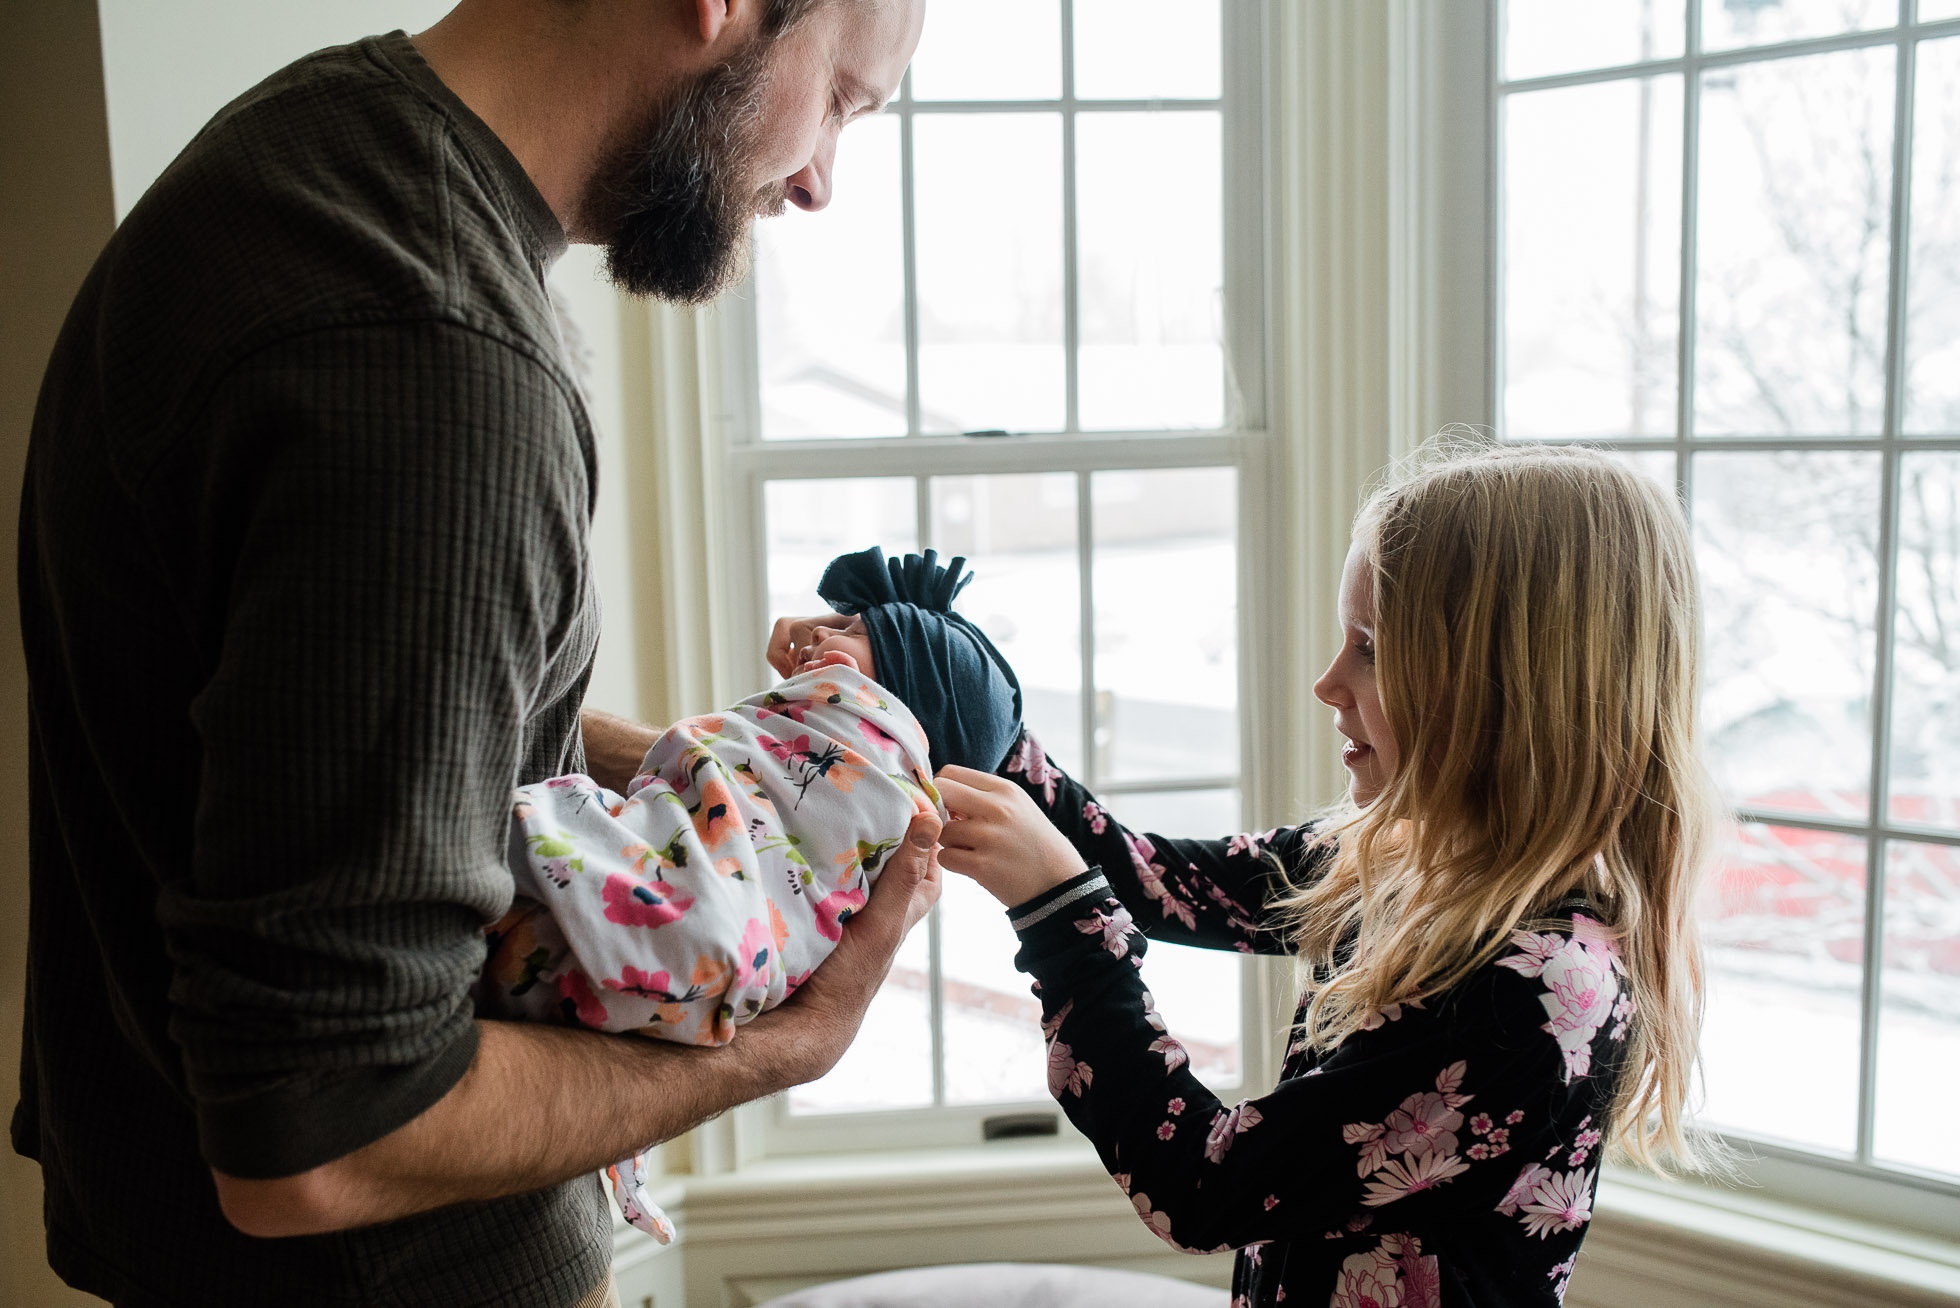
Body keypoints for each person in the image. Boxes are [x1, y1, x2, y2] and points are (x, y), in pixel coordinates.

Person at [14, 1, 925, 1304]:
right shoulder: (437, 359)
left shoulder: (310, 154)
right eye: (842, 97)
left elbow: (331, 730)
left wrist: (707, 767)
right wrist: (792, 1045)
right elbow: (319, 1135)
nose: (821, 179)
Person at [910, 443, 1723, 1307]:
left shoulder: (1538, 988)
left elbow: (1201, 1184)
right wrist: (962, 693)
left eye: (1370, 648)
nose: (1327, 682)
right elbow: (1153, 881)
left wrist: (1059, 913)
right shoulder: (1399, 856)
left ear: (1502, 685)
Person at [486, 549, 1021, 1244]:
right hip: (684, 999)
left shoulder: (862, 740)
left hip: (672, 924)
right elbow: (771, 801)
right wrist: (846, 650)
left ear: (871, 679)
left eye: (850, 631)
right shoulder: (881, 778)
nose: (819, 641)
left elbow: (742, 776)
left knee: (552, 828)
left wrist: (829, 669)